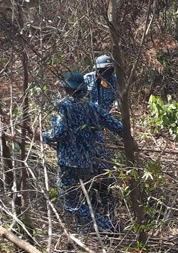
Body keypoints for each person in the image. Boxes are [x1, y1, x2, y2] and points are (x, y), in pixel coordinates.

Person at [42, 71, 123, 231]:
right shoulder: (92, 107)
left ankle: (109, 227)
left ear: (67, 89)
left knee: (71, 203)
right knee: (83, 198)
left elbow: (58, 133)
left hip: (69, 163)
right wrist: (129, 138)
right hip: (88, 162)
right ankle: (86, 230)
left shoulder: (64, 107)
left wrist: (42, 136)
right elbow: (115, 125)